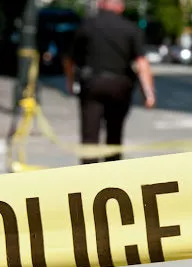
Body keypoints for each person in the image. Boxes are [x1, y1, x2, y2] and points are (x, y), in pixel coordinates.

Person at [63, 0, 156, 165]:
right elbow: (142, 63)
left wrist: (70, 83)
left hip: (92, 84)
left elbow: (69, 60)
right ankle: (112, 174)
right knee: (114, 134)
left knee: (89, 136)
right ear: (120, 7)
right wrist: (148, 93)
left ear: (100, 4)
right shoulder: (130, 28)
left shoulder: (87, 26)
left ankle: (89, 177)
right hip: (120, 86)